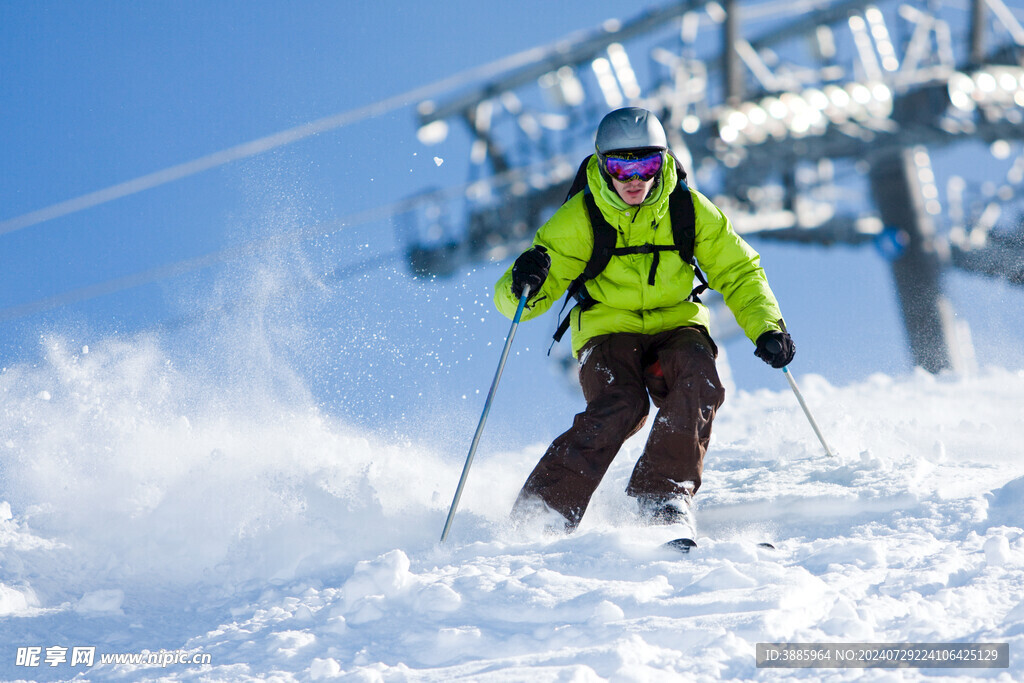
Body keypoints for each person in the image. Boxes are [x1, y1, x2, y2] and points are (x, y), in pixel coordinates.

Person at [493, 107, 795, 535]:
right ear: (602, 165)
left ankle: (662, 495)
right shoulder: (581, 217)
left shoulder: (687, 209)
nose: (634, 180)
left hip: (676, 323)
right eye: (620, 167)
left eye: (648, 165)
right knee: (621, 403)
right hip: (606, 328)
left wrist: (767, 326)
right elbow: (516, 304)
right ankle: (544, 510)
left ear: (663, 162)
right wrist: (525, 279)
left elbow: (739, 269)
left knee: (699, 379)